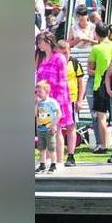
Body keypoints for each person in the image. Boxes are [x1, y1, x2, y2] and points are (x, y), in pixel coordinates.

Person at [35, 32, 73, 169]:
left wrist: (59, 103)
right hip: (44, 100)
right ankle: (47, 160)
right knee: (45, 131)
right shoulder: (42, 58)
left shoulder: (59, 58)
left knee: (56, 129)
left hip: (57, 98)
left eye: (41, 42)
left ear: (49, 42)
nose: (39, 45)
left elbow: (63, 81)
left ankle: (59, 161)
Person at [87, 23, 112, 153]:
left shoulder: (96, 48)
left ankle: (102, 145)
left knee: (101, 116)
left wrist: (99, 72)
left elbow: (90, 70)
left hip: (100, 84)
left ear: (96, 33)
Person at [54, 40, 85, 166]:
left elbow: (81, 83)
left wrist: (80, 100)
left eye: (66, 53)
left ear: (70, 51)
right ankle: (57, 156)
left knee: (71, 127)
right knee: (57, 127)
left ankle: (71, 155)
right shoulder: (54, 63)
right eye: (61, 54)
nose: (64, 56)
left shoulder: (75, 63)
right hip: (57, 100)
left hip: (71, 99)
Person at [34, 80, 61, 174]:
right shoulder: (39, 103)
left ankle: (53, 165)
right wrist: (36, 103)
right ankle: (42, 164)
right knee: (41, 148)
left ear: (46, 91)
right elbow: (35, 114)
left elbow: (59, 114)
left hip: (49, 129)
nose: (38, 94)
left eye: (40, 92)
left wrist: (54, 124)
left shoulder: (52, 102)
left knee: (51, 148)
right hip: (40, 129)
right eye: (36, 92)